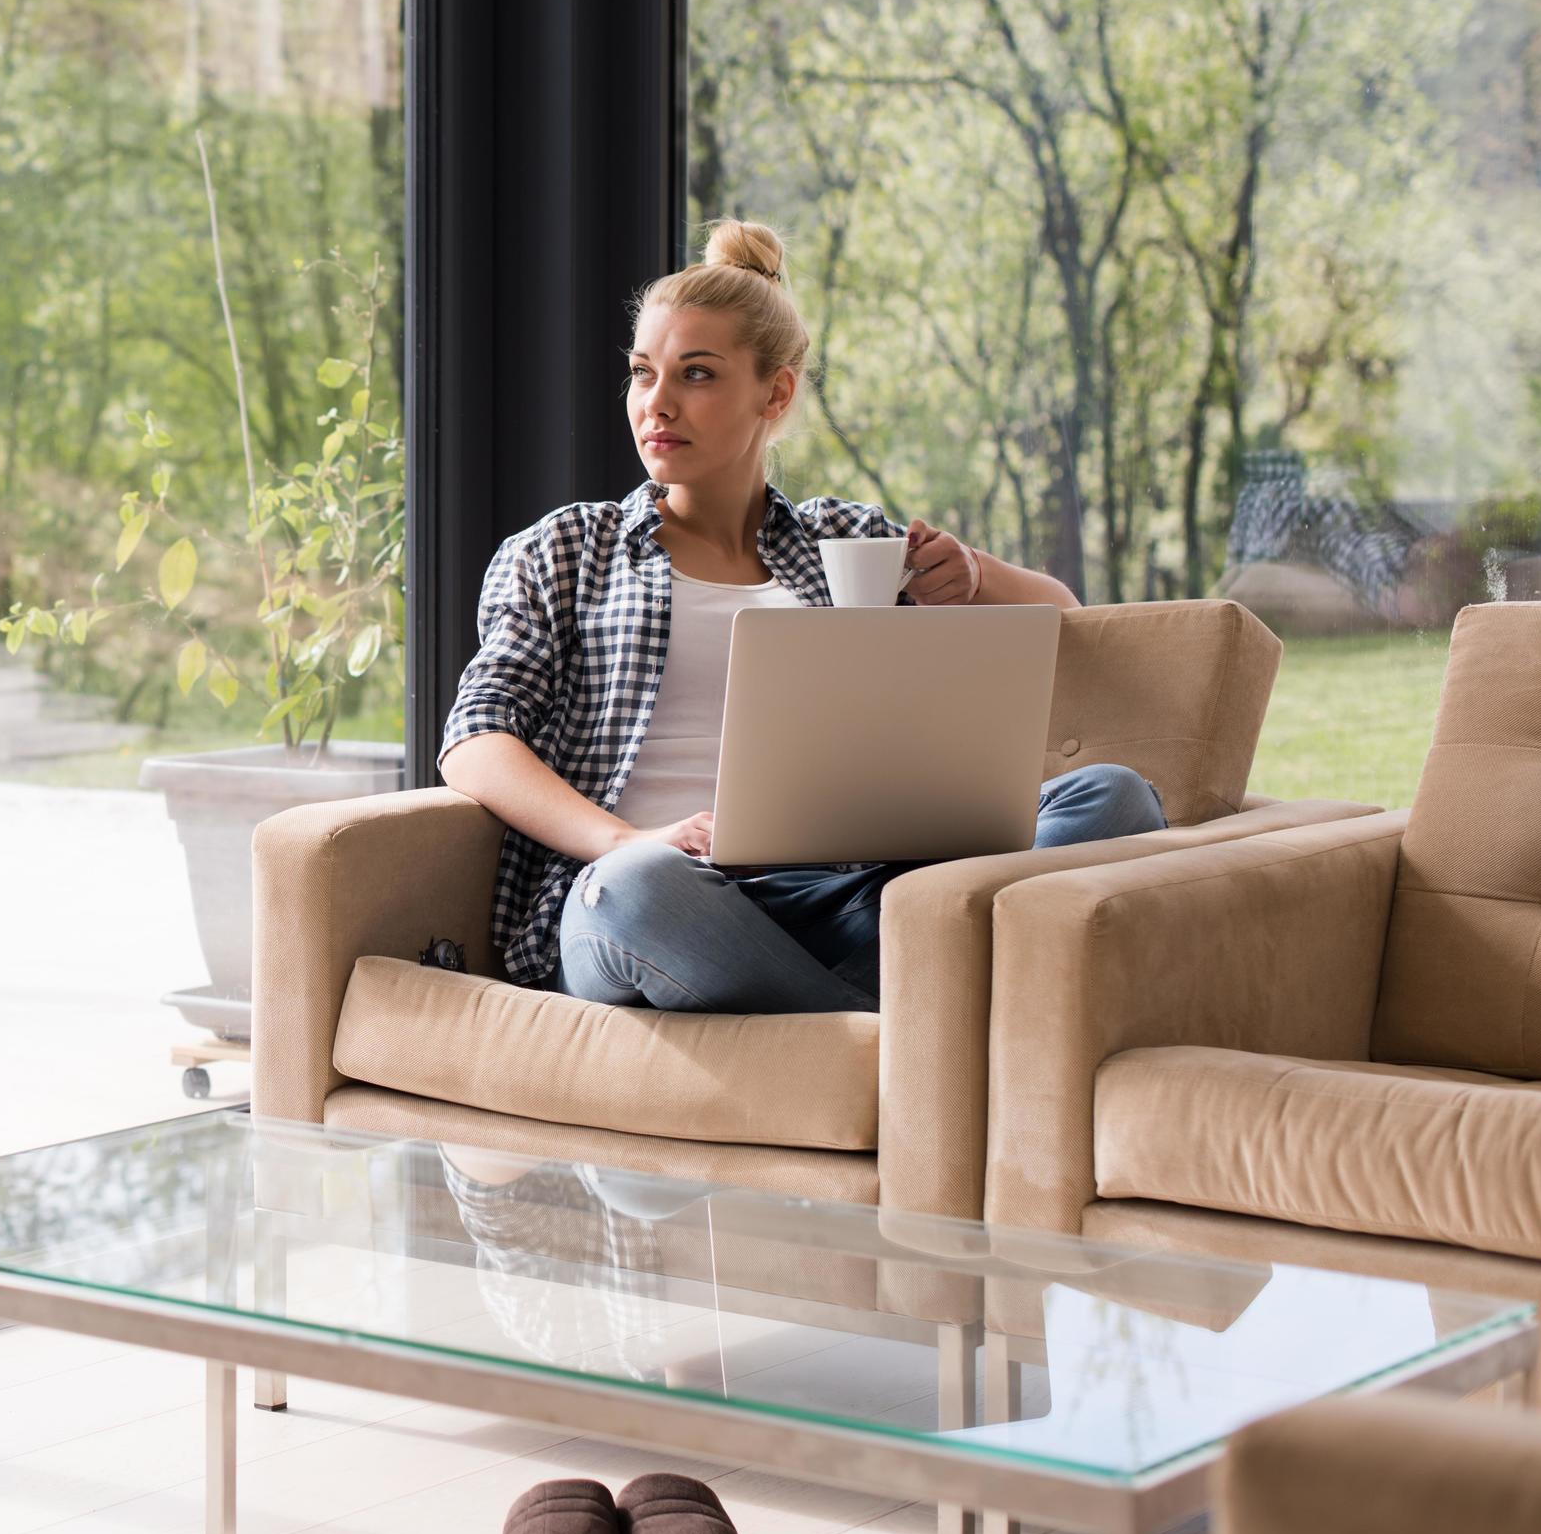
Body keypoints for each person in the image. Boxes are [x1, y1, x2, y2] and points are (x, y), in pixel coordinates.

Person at [433, 218, 1165, 1015]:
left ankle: (883, 1006)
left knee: (1114, 796)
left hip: (850, 893)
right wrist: (626, 839)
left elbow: (1062, 614)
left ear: (774, 392)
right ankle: (915, 1022)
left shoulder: (843, 539)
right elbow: (473, 741)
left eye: (697, 375)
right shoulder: (568, 547)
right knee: (636, 895)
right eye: (644, 373)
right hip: (656, 892)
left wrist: (975, 575)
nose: (657, 404)